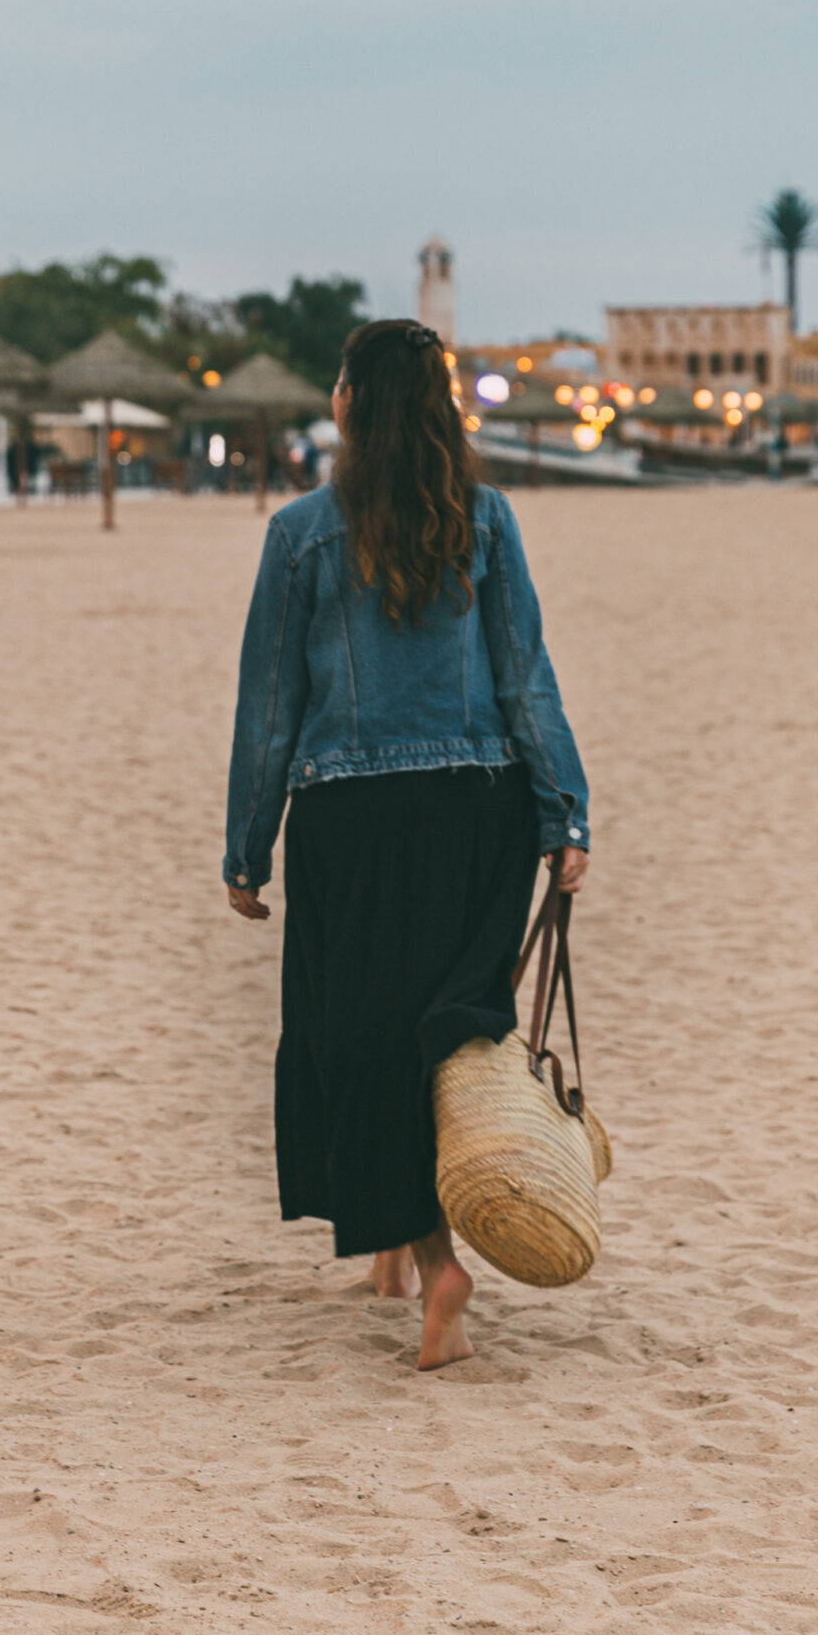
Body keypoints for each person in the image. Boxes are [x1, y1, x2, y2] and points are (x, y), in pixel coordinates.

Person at [222, 319, 590, 1371]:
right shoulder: (485, 517)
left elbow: (270, 706)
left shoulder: (301, 533)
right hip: (481, 812)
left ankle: (439, 1270)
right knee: (441, 1029)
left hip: (355, 814)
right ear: (441, 409)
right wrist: (565, 812)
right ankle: (392, 1247)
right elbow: (526, 675)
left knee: (364, 1038)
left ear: (347, 405)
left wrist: (247, 845)